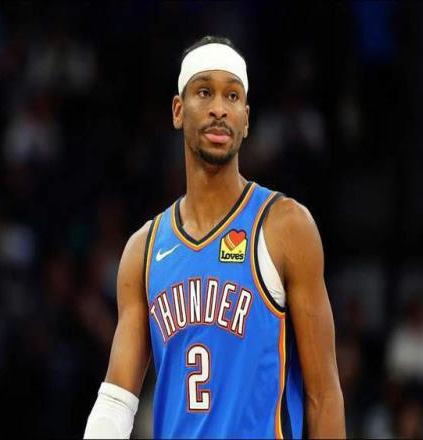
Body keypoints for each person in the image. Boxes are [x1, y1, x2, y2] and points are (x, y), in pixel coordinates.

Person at [84, 35, 345, 439]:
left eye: (233, 96)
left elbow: (323, 395)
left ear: (246, 119)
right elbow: (116, 402)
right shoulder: (144, 249)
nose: (219, 109)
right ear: (178, 110)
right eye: (204, 92)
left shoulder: (285, 226)